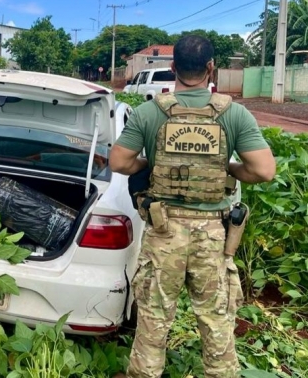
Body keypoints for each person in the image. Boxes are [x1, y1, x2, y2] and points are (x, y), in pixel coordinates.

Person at [110, 34, 276, 378]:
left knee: (154, 320)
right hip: (213, 236)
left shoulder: (149, 112)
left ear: (173, 68)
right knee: (216, 321)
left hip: (162, 232)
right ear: (211, 68)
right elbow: (263, 170)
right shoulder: (234, 114)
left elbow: (119, 162)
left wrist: (148, 166)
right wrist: (229, 168)